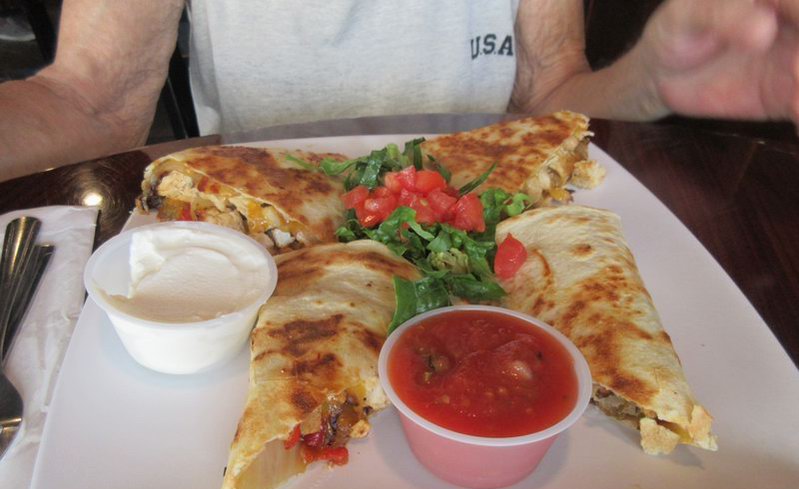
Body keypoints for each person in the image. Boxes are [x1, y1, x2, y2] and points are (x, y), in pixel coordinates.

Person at [0, 0, 797, 183]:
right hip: (263, 234)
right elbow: (91, 101)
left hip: (484, 235)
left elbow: (549, 95)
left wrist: (655, 79)